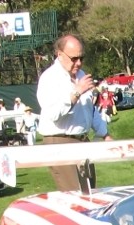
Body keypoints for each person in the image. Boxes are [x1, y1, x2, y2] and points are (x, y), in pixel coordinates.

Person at [37, 34, 112, 193]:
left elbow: (89, 109)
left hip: (82, 141)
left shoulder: (81, 75)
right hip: (60, 141)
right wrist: (76, 92)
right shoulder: (49, 78)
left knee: (90, 193)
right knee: (75, 196)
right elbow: (53, 113)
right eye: (74, 58)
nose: (78, 63)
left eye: (81, 58)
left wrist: (105, 134)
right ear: (60, 54)